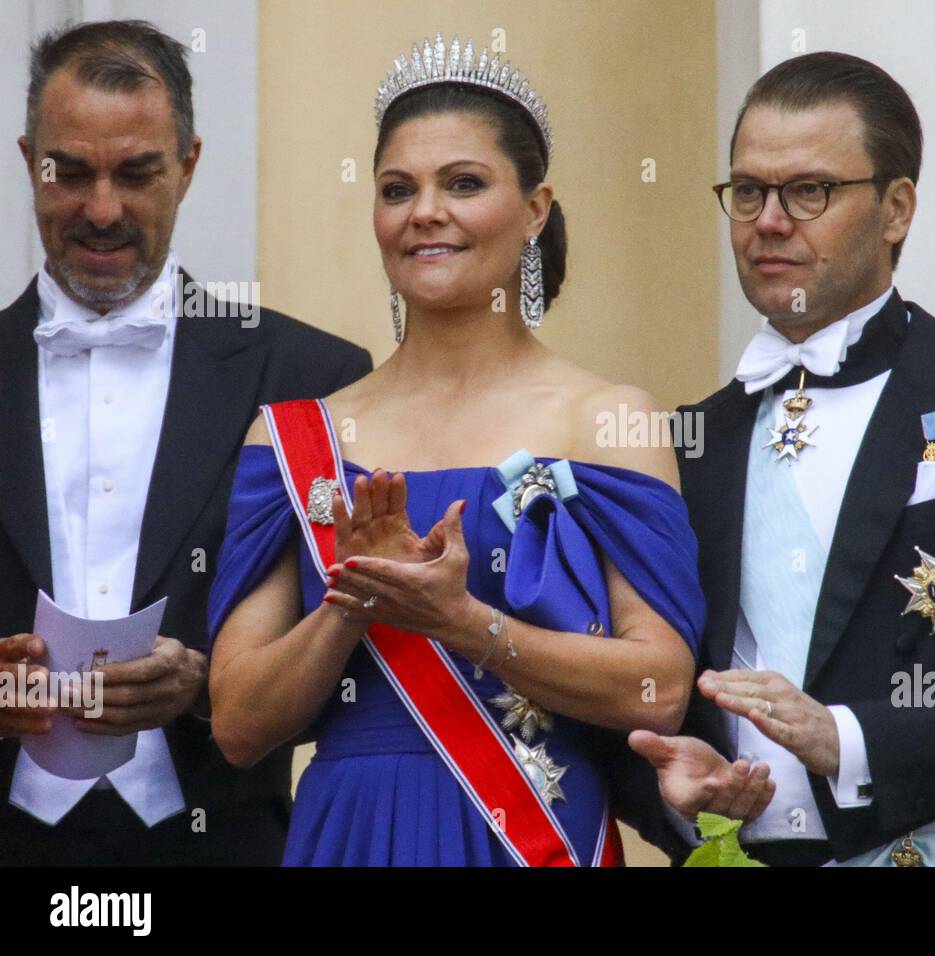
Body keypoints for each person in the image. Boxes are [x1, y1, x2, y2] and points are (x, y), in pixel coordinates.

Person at [623, 51, 935, 866]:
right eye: (749, 191)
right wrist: (687, 800)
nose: (768, 219)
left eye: (810, 191)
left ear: (897, 208)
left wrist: (850, 739)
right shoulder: (689, 441)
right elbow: (645, 693)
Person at [207, 34, 705, 866]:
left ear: (536, 209)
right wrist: (354, 599)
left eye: (463, 184)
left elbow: (659, 687)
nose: (424, 212)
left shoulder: (608, 419)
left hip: (532, 826)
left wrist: (464, 623)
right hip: (353, 829)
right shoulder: (298, 438)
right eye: (397, 189)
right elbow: (237, 725)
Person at [0, 19, 371, 865]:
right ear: (29, 162)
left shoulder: (309, 373)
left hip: (222, 837)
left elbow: (358, 655)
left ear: (190, 165)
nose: (102, 210)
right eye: (71, 173)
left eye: (137, 174)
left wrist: (211, 685)